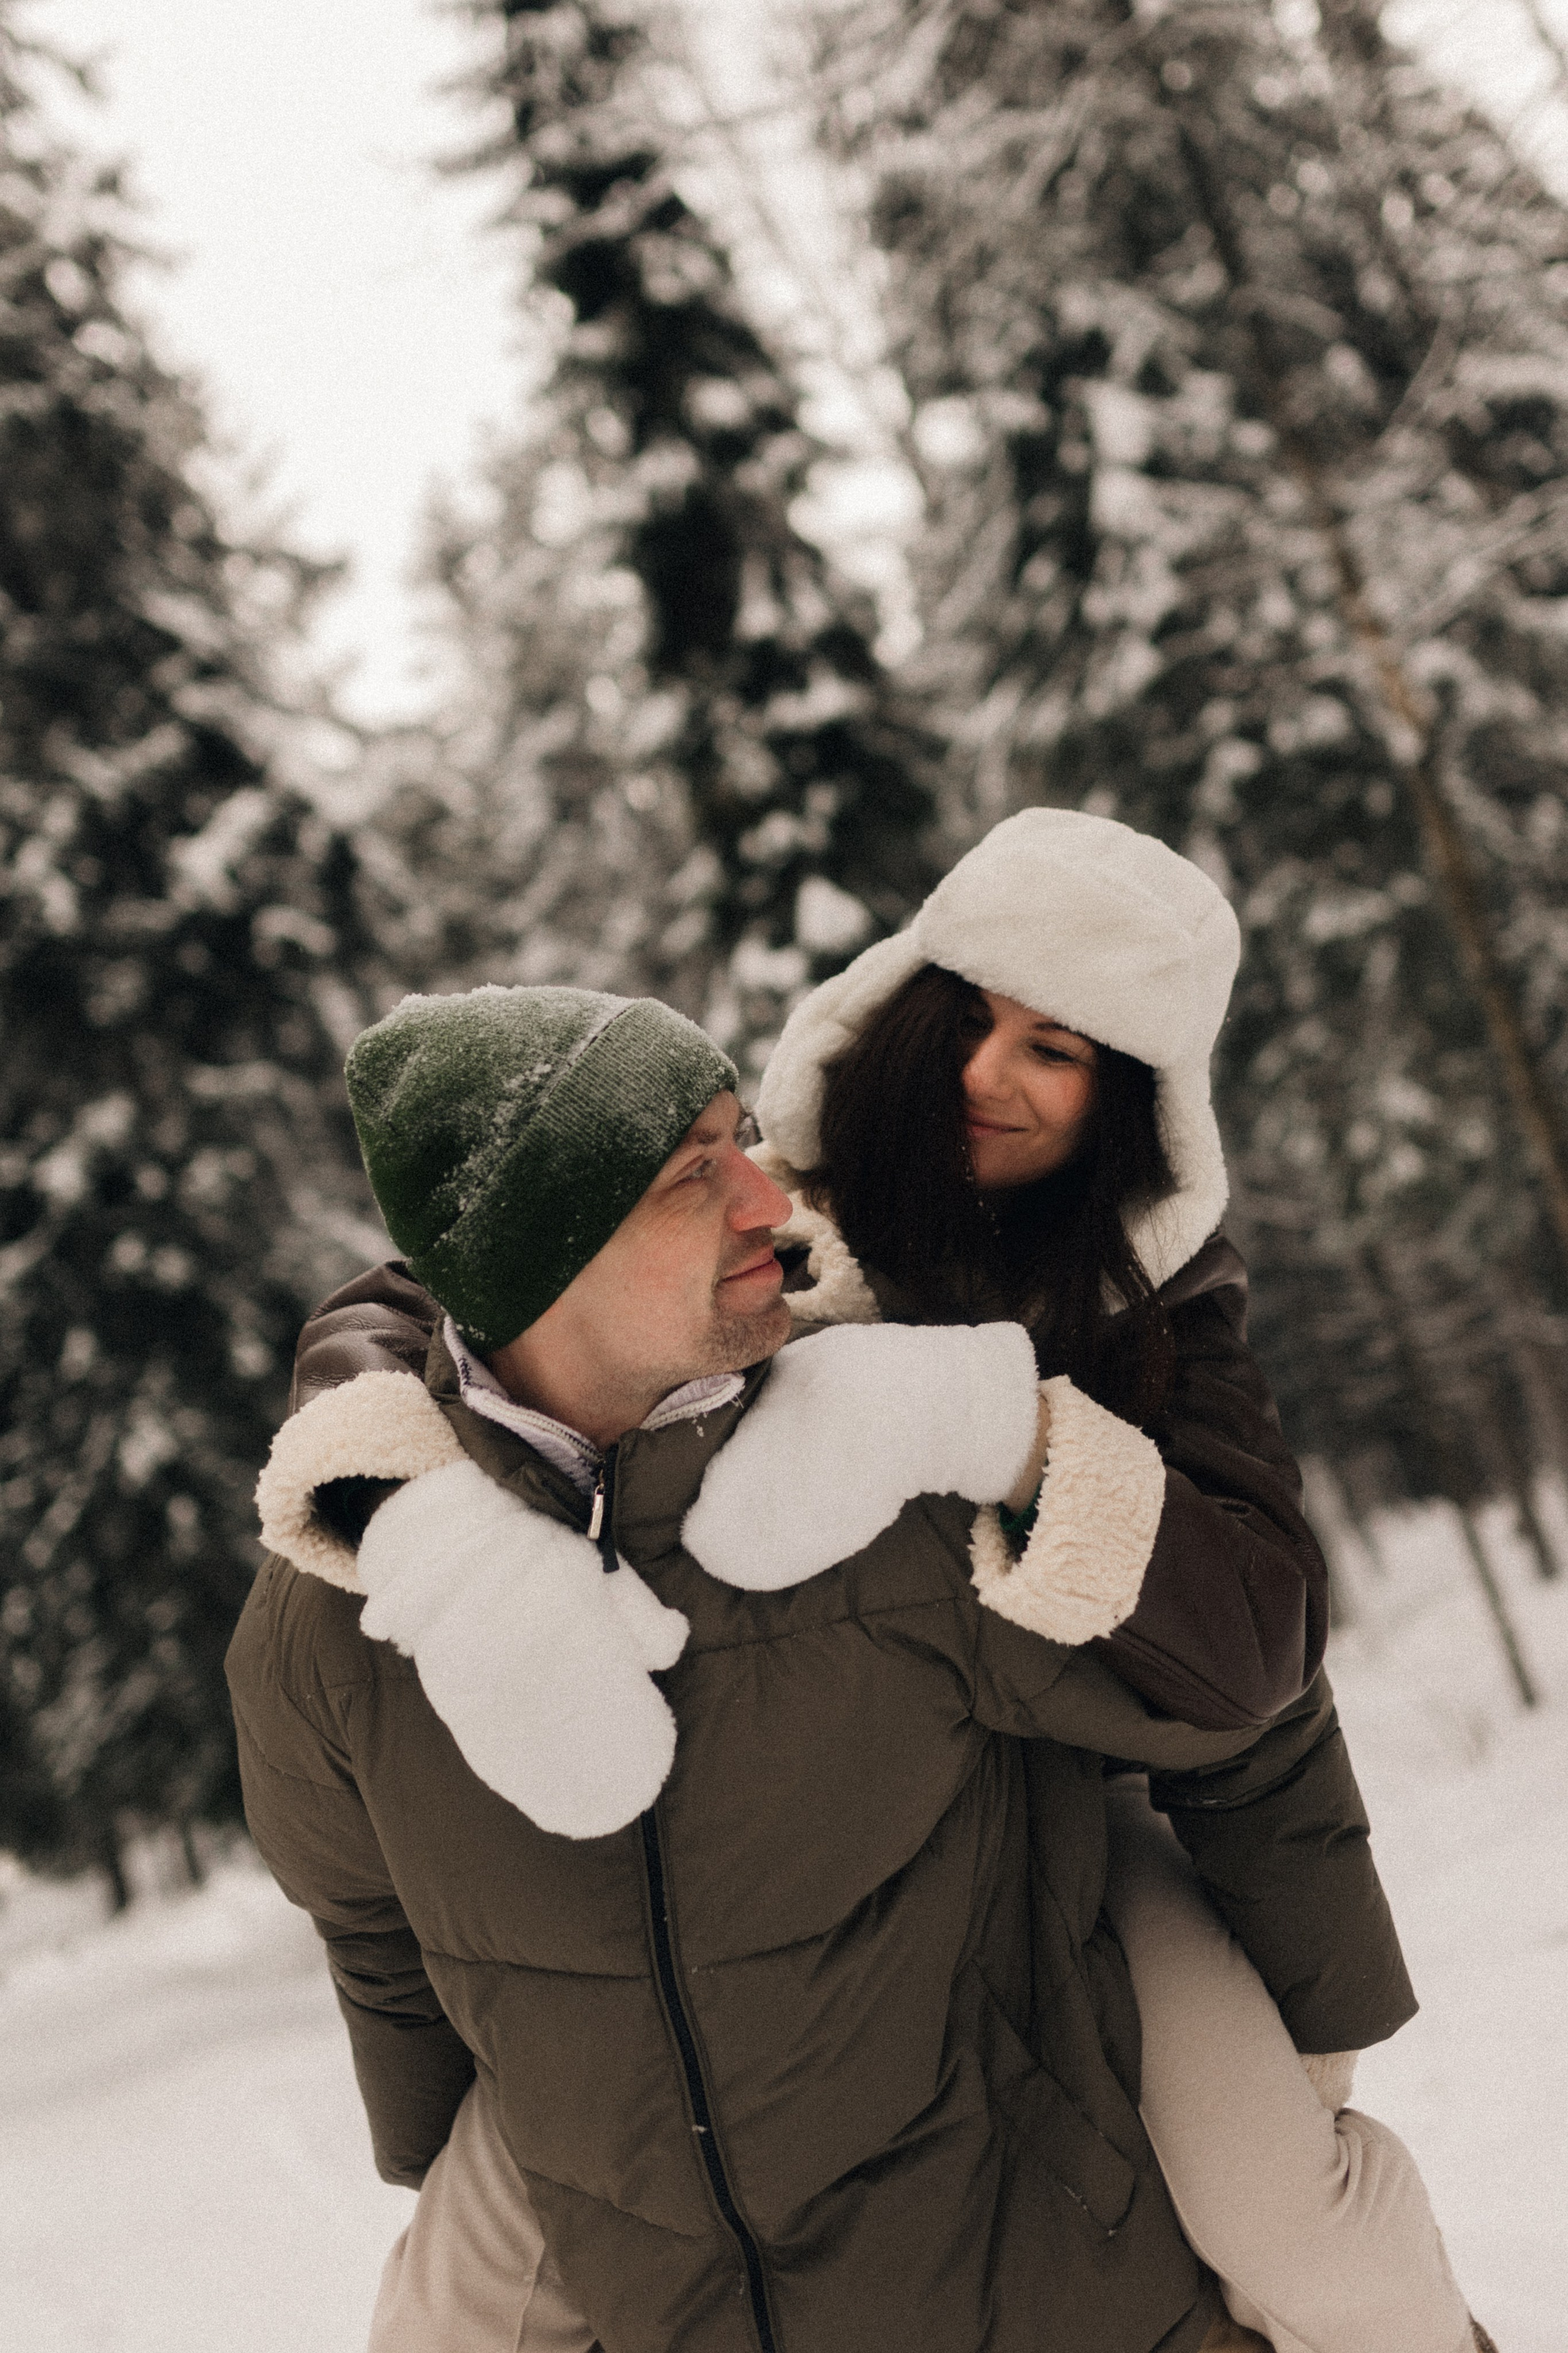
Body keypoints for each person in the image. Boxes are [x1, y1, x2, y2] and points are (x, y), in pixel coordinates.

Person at [231, 975, 1362, 2353]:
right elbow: (365, 1912)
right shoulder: (335, 1623)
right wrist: (462, 2170)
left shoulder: (886, 1482)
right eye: (693, 1172)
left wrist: (1325, 2031)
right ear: (541, 1258)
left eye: (741, 1140)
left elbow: (1246, 1698)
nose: (766, 1197)